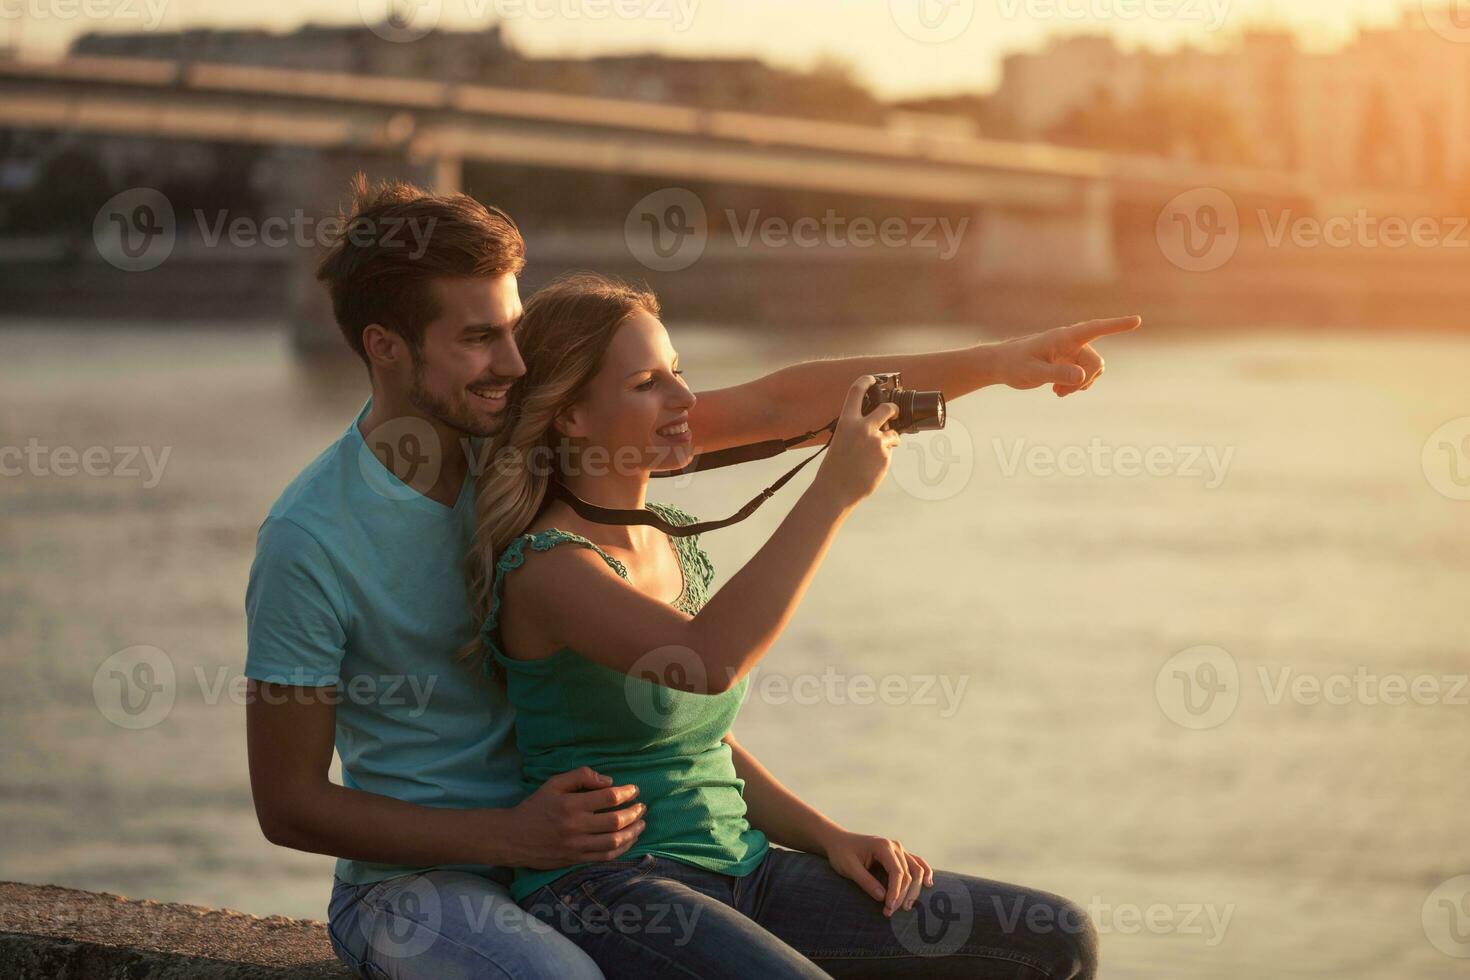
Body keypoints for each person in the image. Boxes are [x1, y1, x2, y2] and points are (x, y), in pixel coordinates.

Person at [242, 173, 1139, 980]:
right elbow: (287, 804)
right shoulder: (311, 536)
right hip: (434, 881)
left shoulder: (520, 453)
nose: (513, 368)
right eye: (481, 340)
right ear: (386, 348)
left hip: (601, 843)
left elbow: (777, 405)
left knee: (1048, 938)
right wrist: (507, 834)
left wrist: (1000, 362)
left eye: (515, 335)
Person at [470, 273, 1097, 979]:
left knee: (1055, 938)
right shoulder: (549, 566)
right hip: (610, 886)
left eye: (678, 373)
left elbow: (703, 740)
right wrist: (833, 492)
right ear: (571, 417)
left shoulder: (668, 535)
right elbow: (706, 662)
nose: (683, 400)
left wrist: (827, 835)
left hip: (746, 867)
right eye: (648, 383)